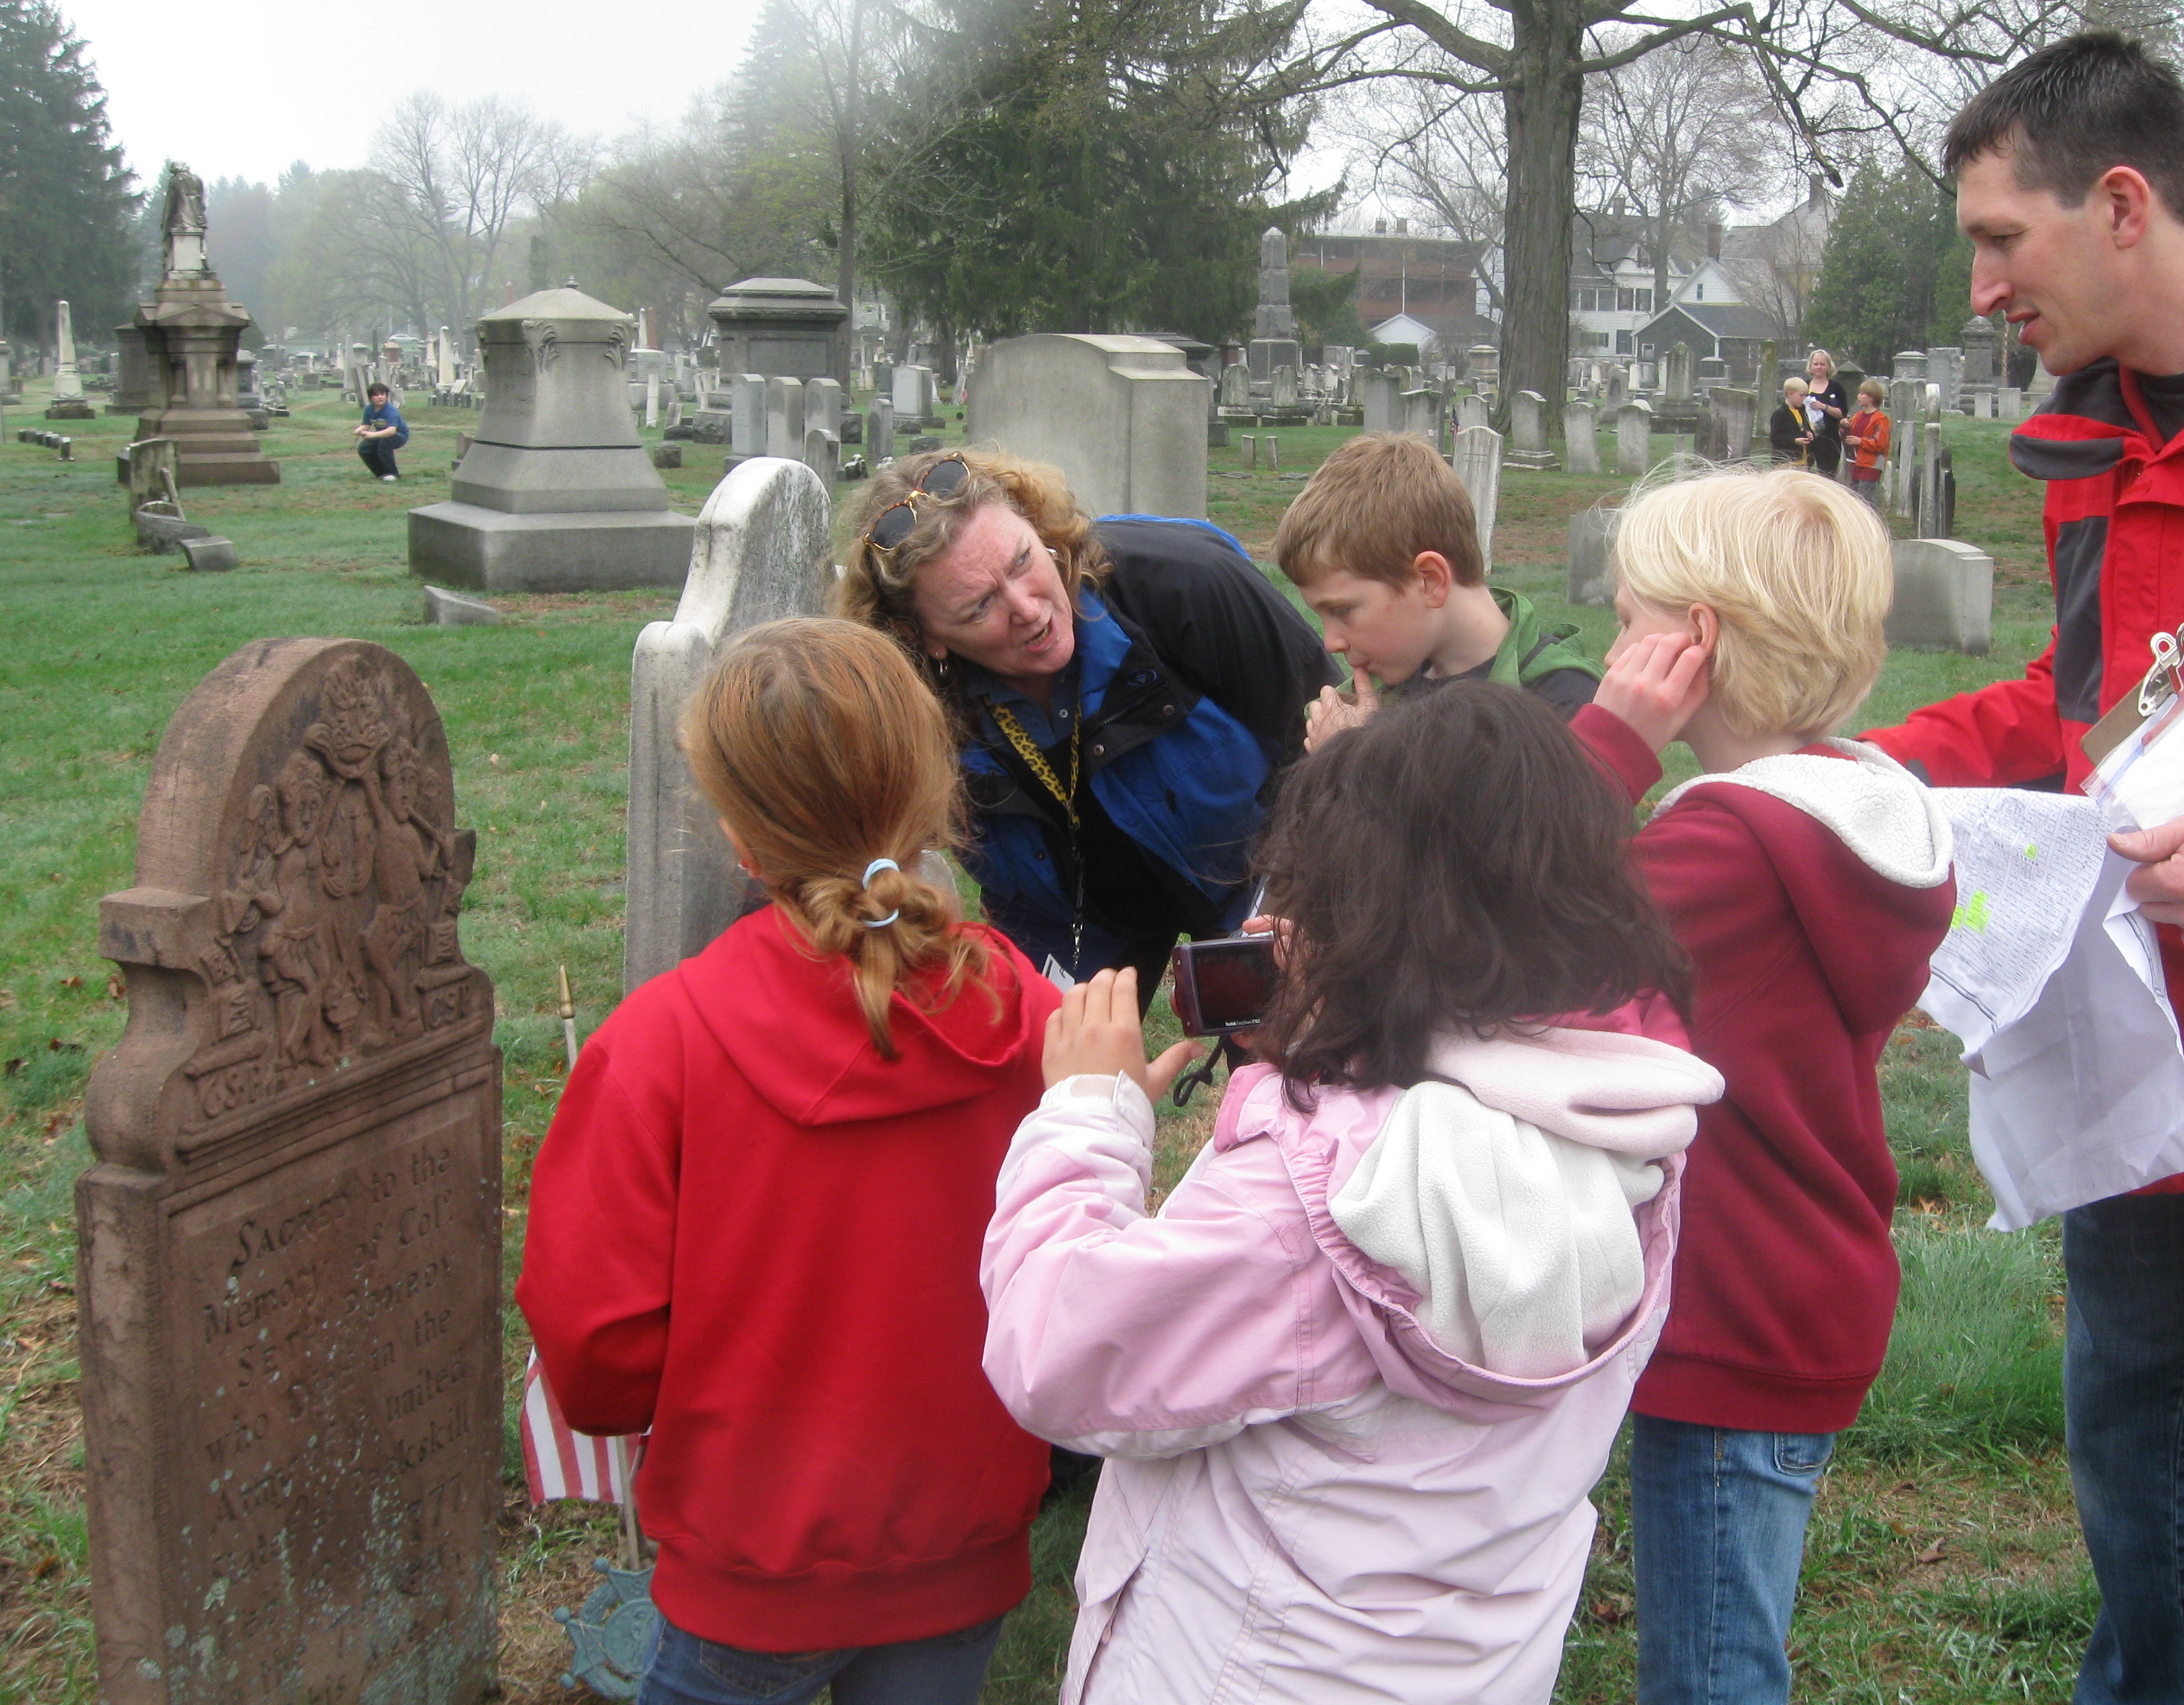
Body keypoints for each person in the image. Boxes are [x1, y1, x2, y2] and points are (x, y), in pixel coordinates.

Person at [1860, 30, 2184, 1704]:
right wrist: (1860, 770)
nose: (1984, 286)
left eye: (2002, 239)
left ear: (2121, 203)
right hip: (2128, 1077)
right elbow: (2091, 710)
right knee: (2140, 1501)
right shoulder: (2097, 437)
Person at [980, 680, 1719, 1705]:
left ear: (1364, 923)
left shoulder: (1311, 1208)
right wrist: (1337, 1036)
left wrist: (1086, 1117)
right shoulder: (1622, 1119)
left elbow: (1057, 1354)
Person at [516, 618, 1056, 1705]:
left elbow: (596, 1354)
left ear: (740, 838)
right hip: (964, 1535)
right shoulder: (1022, 1009)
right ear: (929, 794)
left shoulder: (659, 1043)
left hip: (753, 1556)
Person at [1568, 467, 1955, 1705]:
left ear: (1697, 642)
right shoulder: (1845, 799)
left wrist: (1607, 744)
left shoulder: (1724, 843)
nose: (1611, 645)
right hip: (1794, 1271)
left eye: (1628, 620)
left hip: (1732, 1305)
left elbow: (1520, 929)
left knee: (1713, 1664)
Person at [833, 449, 1334, 989]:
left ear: (1038, 528)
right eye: (978, 607)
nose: (1027, 609)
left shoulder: (1189, 583)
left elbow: (1329, 754)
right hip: (1073, 917)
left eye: (1023, 561)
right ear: (922, 637)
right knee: (1045, 1060)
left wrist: (1275, 929)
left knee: (1283, 1054)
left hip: (1261, 864)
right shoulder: (914, 717)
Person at [1271, 431, 1600, 751]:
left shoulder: (1562, 702)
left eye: (1342, 611)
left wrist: (1354, 758)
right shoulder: (1378, 694)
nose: (1331, 642)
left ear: (1430, 580)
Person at [1842, 378, 1891, 508]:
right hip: (1856, 463)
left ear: (1872, 398)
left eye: (1863, 394)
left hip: (1871, 465)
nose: (1859, 396)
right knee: (1854, 497)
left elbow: (1880, 443)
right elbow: (1849, 433)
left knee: (1866, 500)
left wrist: (1860, 441)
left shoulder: (1881, 419)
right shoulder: (1858, 416)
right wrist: (1844, 425)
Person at [1803, 348, 1847, 480]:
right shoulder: (1803, 386)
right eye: (1816, 364)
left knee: (1827, 476)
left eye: (1822, 364)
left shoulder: (1836, 388)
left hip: (1829, 439)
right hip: (1807, 438)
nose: (1819, 367)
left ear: (1829, 366)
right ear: (1810, 366)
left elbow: (1842, 413)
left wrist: (1824, 407)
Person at [353, 382, 408, 482]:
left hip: (398, 435)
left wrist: (372, 435)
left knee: (384, 445)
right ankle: (381, 474)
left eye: (382, 394)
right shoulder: (369, 409)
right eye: (376, 395)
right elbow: (367, 425)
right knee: (364, 448)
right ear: (371, 398)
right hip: (382, 435)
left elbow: (391, 431)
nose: (380, 397)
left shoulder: (391, 410)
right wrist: (360, 429)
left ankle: (393, 474)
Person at [1767, 376, 1813, 465]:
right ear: (1790, 394)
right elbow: (1775, 437)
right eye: (1801, 395)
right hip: (1786, 461)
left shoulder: (1802, 410)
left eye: (1806, 396)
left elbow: (1805, 427)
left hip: (1802, 460)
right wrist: (1794, 441)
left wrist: (1810, 434)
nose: (1804, 399)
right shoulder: (1780, 414)